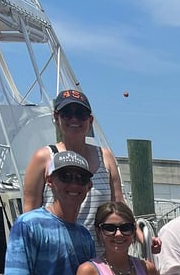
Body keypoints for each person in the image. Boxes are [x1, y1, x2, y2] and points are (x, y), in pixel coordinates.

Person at [23, 90, 124, 241]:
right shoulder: (43, 158)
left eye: (80, 114)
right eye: (67, 114)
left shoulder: (105, 157)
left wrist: (143, 237)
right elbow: (29, 213)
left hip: (99, 258)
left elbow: (119, 205)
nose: (74, 119)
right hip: (56, 253)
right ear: (56, 118)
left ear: (90, 120)